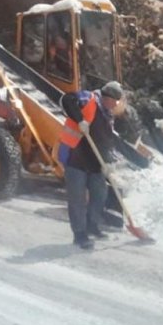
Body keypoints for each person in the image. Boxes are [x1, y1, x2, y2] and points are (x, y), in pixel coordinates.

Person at [58, 80, 123, 250]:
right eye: (114, 101)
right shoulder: (89, 98)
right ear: (107, 97)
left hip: (94, 162)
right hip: (75, 157)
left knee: (100, 194)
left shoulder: (108, 115)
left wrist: (109, 162)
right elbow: (66, 99)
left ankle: (92, 225)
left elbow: (106, 141)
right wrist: (80, 120)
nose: (115, 105)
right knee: (77, 198)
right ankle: (79, 234)